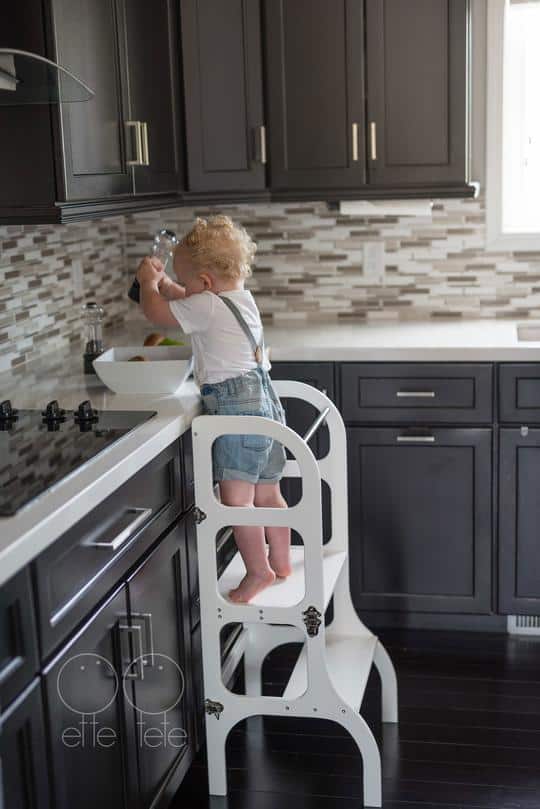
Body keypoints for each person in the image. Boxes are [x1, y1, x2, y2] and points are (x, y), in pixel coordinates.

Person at [135, 215, 290, 603]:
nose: (184, 289)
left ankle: (258, 572)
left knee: (237, 501)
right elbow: (190, 301)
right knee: (269, 494)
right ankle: (282, 560)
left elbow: (158, 314)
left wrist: (148, 285)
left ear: (204, 283)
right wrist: (173, 285)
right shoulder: (239, 297)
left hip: (237, 411)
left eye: (187, 282)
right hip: (266, 403)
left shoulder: (204, 305)